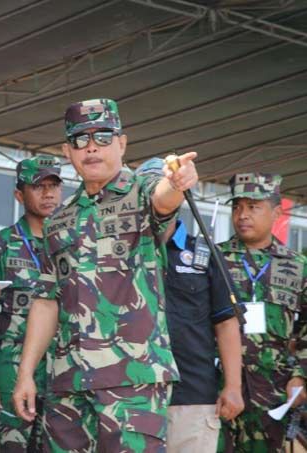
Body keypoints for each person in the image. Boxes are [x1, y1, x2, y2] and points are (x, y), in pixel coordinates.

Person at [13, 98, 198, 452]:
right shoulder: (59, 220)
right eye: (81, 140)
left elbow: (164, 199)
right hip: (68, 382)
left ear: (122, 144)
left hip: (132, 380)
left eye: (103, 136)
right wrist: (26, 374)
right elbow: (46, 301)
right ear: (68, 151)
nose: (92, 147)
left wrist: (177, 183)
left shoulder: (141, 193)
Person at [218, 173, 307, 452]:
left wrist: (300, 375)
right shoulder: (214, 259)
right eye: (237, 207)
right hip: (219, 389)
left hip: (275, 393)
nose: (242, 215)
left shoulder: (297, 266)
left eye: (253, 207)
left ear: (277, 212)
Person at [0, 155, 63, 452]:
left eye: (53, 185)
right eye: (38, 186)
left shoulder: (73, 244)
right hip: (11, 369)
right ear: (19, 195)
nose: (48, 194)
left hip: (62, 369)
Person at [162, 217, 243, 452]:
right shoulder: (123, 251)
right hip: (132, 393)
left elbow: (227, 321)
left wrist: (233, 387)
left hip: (192, 393)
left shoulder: (203, 251)